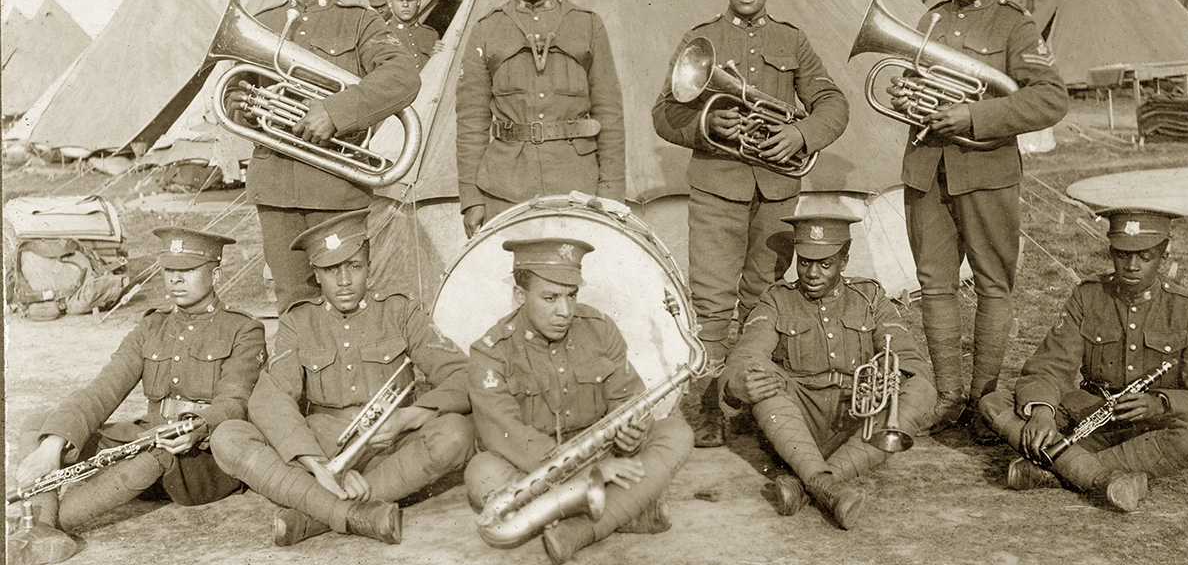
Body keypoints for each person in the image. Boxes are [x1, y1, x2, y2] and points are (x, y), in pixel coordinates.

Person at [651, 0, 849, 446]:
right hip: (717, 187)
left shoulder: (793, 40)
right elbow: (663, 113)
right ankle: (708, 408)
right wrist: (705, 121)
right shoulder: (701, 40)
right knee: (712, 303)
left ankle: (755, 401)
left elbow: (831, 101)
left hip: (778, 191)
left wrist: (801, 134)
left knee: (763, 302)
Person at [890, 0, 1068, 432]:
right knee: (934, 283)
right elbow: (911, 80)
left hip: (987, 170)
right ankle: (949, 397)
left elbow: (1050, 98)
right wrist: (905, 92)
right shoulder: (930, 20)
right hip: (927, 169)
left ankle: (983, 398)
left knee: (993, 285)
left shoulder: (1016, 25)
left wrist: (974, 116)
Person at [210, 211, 474, 546]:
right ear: (317, 275)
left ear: (369, 265)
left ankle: (315, 513)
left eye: (354, 266)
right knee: (228, 437)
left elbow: (462, 373)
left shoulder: (399, 311)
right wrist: (316, 463)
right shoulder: (299, 321)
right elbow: (271, 396)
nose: (345, 280)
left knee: (457, 433)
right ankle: (354, 514)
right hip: (324, 447)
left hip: (392, 446)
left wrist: (410, 417)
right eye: (332, 270)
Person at [11, 228, 265, 554]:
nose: (175, 280)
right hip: (147, 445)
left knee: (155, 447)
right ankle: (41, 527)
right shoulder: (151, 327)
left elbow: (234, 403)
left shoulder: (244, 329)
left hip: (201, 459)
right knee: (40, 423)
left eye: (187, 271)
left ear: (214, 274)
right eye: (170, 271)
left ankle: (45, 527)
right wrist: (54, 444)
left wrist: (198, 426)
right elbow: (103, 389)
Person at [225, 0, 420, 314]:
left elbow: (403, 76)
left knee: (346, 306)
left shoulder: (361, 22)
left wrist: (336, 111)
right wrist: (241, 103)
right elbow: (238, 95)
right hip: (277, 191)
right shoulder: (261, 23)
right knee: (293, 307)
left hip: (337, 192)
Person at [979, 207, 1188, 512]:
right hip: (1089, 414)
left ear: (1164, 254)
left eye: (1145, 257)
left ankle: (1058, 471)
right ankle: (1102, 479)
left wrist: (1160, 402)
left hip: (1149, 430)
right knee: (994, 402)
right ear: (1111, 252)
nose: (1132, 266)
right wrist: (1042, 412)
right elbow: (1050, 365)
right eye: (1122, 255)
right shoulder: (1088, 296)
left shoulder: (1186, 309)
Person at [465, 238, 693, 564]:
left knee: (676, 432)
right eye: (550, 297)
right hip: (536, 465)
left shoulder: (599, 329)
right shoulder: (490, 351)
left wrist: (634, 433)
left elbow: (629, 398)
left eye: (572, 295)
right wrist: (591, 473)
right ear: (519, 295)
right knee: (482, 471)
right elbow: (508, 436)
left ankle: (579, 527)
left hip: (601, 454)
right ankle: (622, 512)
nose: (565, 310)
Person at [718, 214, 935, 529]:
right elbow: (747, 354)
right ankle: (829, 488)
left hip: (856, 422)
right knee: (760, 374)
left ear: (844, 261)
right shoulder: (777, 300)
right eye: (804, 263)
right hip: (796, 420)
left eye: (825, 264)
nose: (812, 273)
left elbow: (909, 359)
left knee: (921, 390)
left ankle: (811, 482)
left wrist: (889, 373)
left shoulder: (870, 297)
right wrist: (737, 384)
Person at [455, 0, 625, 238]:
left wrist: (611, 193)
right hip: (505, 188)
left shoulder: (587, 25)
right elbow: (470, 121)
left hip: (577, 186)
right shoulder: (487, 29)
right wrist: (471, 198)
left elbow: (610, 116)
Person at [380, 0, 441, 71]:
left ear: (418, 1)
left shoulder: (431, 35)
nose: (405, 4)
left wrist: (438, 58)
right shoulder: (382, 34)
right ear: (390, 2)